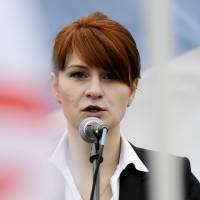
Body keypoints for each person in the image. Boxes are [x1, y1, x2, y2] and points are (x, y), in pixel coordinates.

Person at [50, 11, 200, 200]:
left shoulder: (172, 178)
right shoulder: (22, 176)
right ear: (56, 87)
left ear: (132, 90)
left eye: (111, 76)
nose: (94, 90)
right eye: (79, 75)